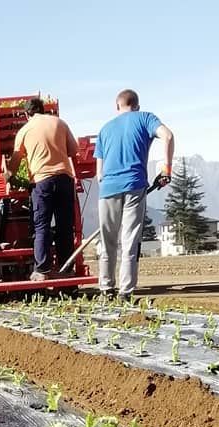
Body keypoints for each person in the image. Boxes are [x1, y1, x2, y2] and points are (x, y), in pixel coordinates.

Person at [95, 89, 174, 301]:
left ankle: (106, 288)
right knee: (129, 239)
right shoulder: (145, 118)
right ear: (136, 105)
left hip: (108, 189)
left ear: (117, 106)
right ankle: (125, 292)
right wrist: (166, 169)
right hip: (134, 185)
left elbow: (99, 174)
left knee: (107, 240)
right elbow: (168, 136)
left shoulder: (104, 130)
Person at [4, 99, 82, 281]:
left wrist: (8, 176)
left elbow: (15, 161)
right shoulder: (59, 123)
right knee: (64, 226)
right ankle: (66, 268)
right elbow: (74, 150)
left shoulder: (25, 130)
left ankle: (42, 270)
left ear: (26, 114)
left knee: (42, 226)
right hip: (64, 179)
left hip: (42, 181)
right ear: (43, 110)